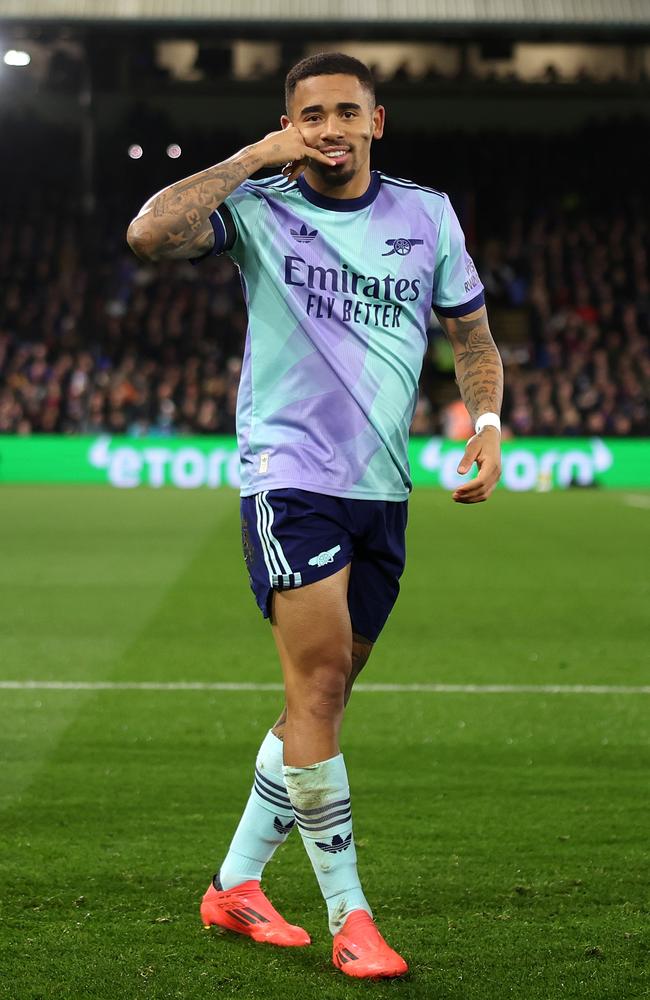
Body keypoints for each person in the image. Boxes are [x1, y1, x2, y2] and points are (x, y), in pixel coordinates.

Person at [127, 51, 503, 979]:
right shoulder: (261, 207)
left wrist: (488, 422)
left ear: (378, 121)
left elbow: (472, 333)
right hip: (288, 478)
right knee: (324, 682)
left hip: (382, 490)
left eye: (346, 111)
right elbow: (150, 234)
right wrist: (258, 154)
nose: (329, 127)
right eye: (309, 114)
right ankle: (352, 916)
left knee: (319, 701)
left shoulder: (428, 215)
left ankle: (236, 885)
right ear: (289, 121)